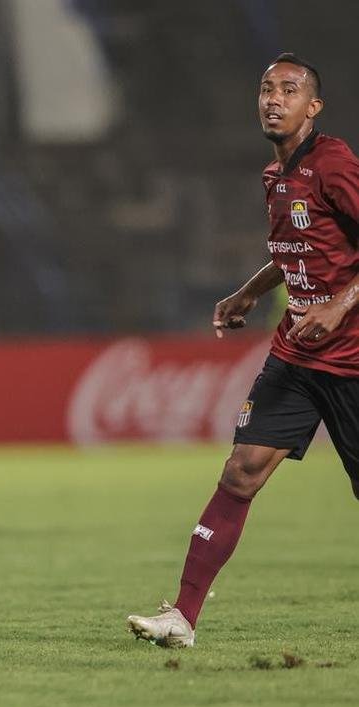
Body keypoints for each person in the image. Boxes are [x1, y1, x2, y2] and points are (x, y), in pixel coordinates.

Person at [129, 53, 359, 648]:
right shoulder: (275, 176)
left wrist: (338, 304)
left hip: (352, 356)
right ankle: (182, 617)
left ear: (314, 107)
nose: (273, 98)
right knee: (241, 471)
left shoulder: (333, 163)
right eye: (265, 88)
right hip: (298, 356)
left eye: (289, 90)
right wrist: (248, 293)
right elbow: (293, 251)